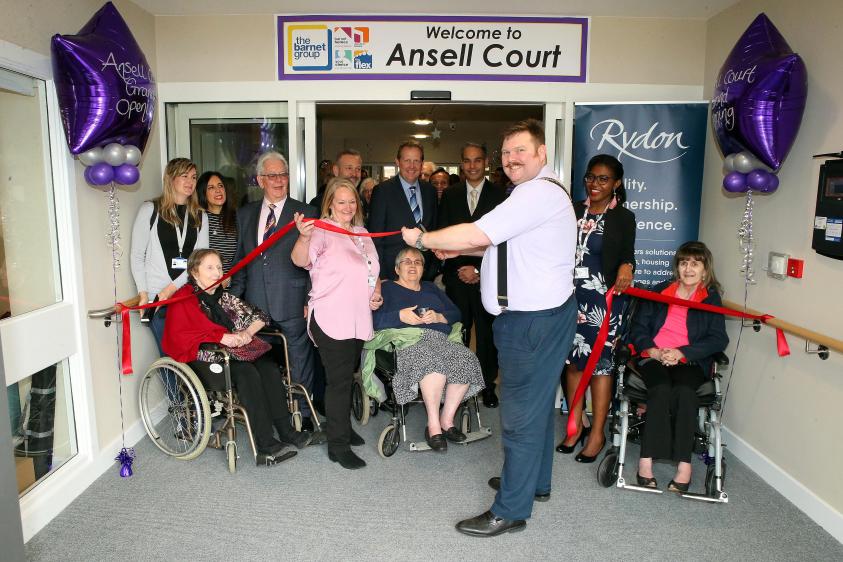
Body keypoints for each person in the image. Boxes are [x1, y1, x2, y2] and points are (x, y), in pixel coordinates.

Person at [402, 118, 576, 537]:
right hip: (545, 317)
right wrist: (464, 248)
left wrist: (424, 240)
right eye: (507, 152)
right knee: (537, 407)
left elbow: (477, 232)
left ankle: (511, 509)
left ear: (542, 153)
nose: (512, 159)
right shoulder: (540, 192)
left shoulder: (535, 193)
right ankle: (533, 482)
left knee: (519, 416)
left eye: (521, 150)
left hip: (532, 322)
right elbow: (507, 242)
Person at [162, 249, 318, 465]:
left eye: (219, 267)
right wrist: (221, 337)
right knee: (248, 373)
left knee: (268, 367)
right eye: (210, 267)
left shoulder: (224, 297)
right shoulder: (184, 299)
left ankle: (286, 430)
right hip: (207, 358)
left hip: (235, 352)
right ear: (195, 272)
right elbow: (180, 335)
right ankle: (265, 443)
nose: (217, 272)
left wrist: (247, 333)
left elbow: (260, 316)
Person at [291, 177, 383, 470]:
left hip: (358, 317)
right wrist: (303, 237)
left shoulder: (362, 232)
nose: (347, 206)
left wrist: (376, 292)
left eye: (352, 201)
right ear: (330, 203)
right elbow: (299, 260)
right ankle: (338, 445)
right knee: (339, 381)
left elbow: (373, 270)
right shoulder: (321, 229)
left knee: (347, 376)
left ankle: (340, 427)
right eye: (341, 201)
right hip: (331, 317)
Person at [229, 151, 318, 429]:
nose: (279, 180)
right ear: (260, 180)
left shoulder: (306, 213)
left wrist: (310, 298)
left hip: (292, 300)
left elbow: (316, 263)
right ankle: (272, 414)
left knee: (299, 361)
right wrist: (232, 303)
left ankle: (303, 416)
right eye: (272, 175)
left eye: (283, 175)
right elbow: (241, 262)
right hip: (255, 304)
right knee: (261, 364)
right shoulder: (245, 214)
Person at [629, 241, 728, 492]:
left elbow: (718, 339)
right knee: (661, 388)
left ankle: (685, 465)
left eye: (695, 264)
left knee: (685, 392)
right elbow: (638, 328)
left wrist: (682, 353)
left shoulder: (711, 299)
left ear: (705, 270)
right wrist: (653, 350)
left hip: (688, 360)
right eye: (684, 263)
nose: (688, 269)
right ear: (677, 267)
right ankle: (646, 461)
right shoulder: (660, 291)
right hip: (654, 356)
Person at [557, 154, 636, 462]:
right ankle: (575, 425)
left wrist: (628, 265)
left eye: (603, 179)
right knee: (573, 363)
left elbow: (627, 254)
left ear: (616, 183)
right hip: (569, 298)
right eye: (590, 177)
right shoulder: (572, 210)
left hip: (604, 302)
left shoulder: (623, 217)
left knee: (601, 366)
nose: (595, 184)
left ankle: (598, 433)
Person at [372, 247, 484, 451]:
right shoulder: (387, 289)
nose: (413, 265)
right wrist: (399, 316)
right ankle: (433, 426)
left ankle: (446, 420)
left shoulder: (431, 288)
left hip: (440, 339)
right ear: (397, 269)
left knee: (466, 359)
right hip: (408, 342)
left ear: (423, 269)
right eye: (407, 262)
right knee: (431, 362)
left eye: (418, 262)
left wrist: (440, 317)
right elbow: (373, 320)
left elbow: (456, 313)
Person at [438, 143, 506, 408]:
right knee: (458, 333)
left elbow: (501, 239)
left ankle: (487, 385)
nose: (472, 166)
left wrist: (477, 269)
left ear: (486, 162)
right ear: (461, 163)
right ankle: (458, 386)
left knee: (488, 335)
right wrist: (461, 268)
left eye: (477, 160)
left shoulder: (499, 195)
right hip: (457, 276)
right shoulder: (451, 195)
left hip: (487, 276)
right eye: (467, 161)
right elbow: (445, 233)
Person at [131, 158, 209, 353]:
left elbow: (200, 262)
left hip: (186, 296)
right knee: (170, 355)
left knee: (189, 356)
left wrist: (170, 289)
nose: (190, 181)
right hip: (157, 299)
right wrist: (143, 294)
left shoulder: (200, 216)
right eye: (184, 176)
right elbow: (137, 256)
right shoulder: (150, 210)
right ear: (170, 178)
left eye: (194, 177)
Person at [368, 140, 438, 280]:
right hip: (393, 273)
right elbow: (376, 237)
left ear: (422, 163)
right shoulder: (383, 191)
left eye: (416, 161)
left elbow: (435, 229)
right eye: (407, 160)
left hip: (425, 273)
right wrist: (382, 276)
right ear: (397, 162)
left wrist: (432, 269)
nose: (412, 166)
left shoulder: (430, 191)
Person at [197, 171, 238, 278]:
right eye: (211, 187)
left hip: (233, 284)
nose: (218, 190)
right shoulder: (198, 220)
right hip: (206, 283)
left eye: (220, 186)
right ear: (203, 193)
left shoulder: (238, 219)